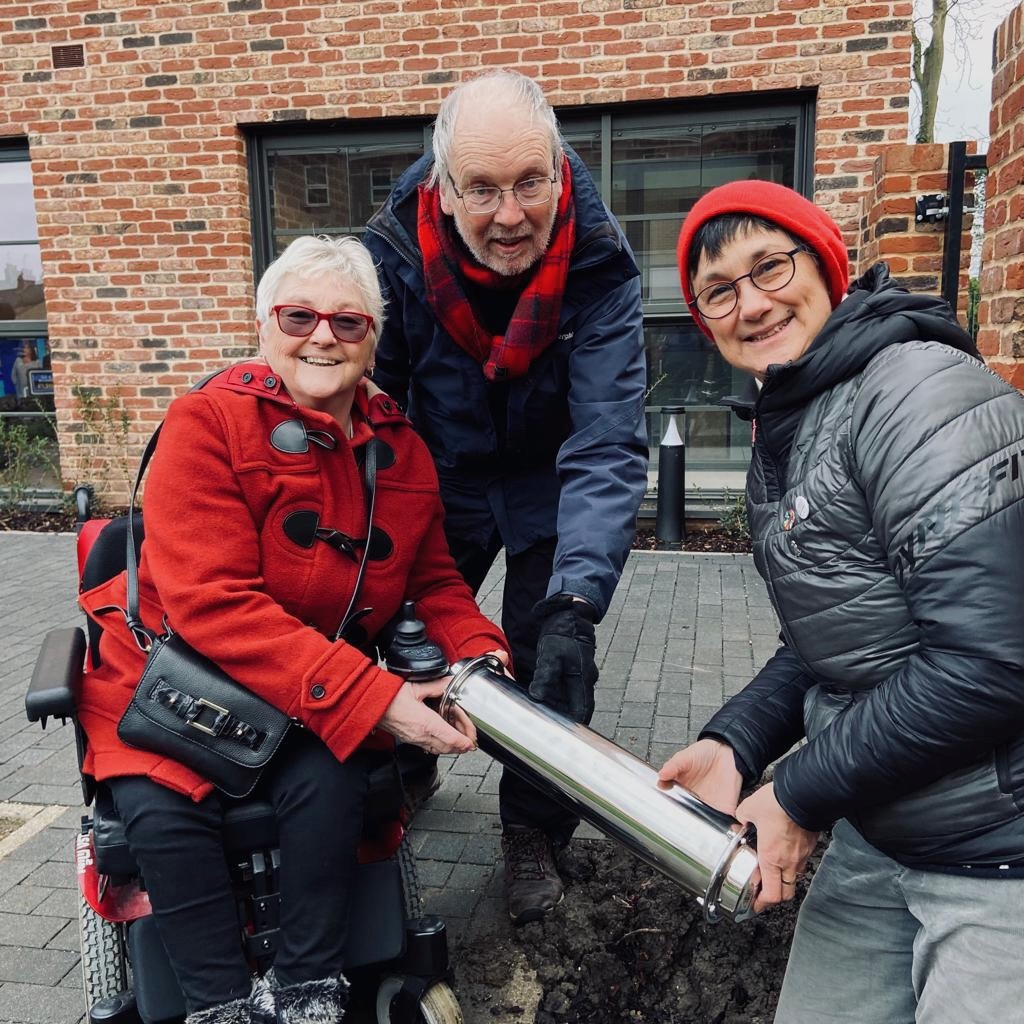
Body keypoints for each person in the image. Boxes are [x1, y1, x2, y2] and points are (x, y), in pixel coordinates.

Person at [77, 236, 510, 1024]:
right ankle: (217, 1006)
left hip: (305, 687)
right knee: (166, 810)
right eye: (300, 315)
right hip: (173, 684)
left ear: (373, 340)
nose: (323, 336)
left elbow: (434, 582)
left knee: (336, 780)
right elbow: (210, 605)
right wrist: (372, 695)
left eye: (349, 323)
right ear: (264, 325)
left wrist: (480, 654)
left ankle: (308, 988)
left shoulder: (400, 448)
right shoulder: (205, 422)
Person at [660, 180, 1024, 1022]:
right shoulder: (791, 420)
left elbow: (994, 659)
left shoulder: (915, 392)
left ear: (827, 265)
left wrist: (796, 796)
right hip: (884, 826)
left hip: (1002, 850)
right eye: (720, 290)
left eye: (771, 267)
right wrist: (739, 743)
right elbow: (839, 634)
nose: (751, 304)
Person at [364, 70, 649, 925]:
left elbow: (605, 439)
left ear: (560, 174)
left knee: (549, 654)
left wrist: (578, 599)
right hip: (438, 470)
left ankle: (533, 828)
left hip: (549, 478)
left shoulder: (598, 265)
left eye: (529, 183)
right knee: (394, 624)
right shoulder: (391, 255)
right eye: (481, 189)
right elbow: (374, 405)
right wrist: (378, 525)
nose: (509, 213)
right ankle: (406, 766)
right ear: (445, 190)